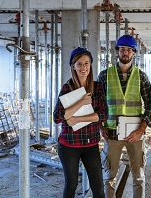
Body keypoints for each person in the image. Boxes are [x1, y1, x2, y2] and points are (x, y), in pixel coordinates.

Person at [97, 34, 151, 198]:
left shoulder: (141, 76)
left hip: (135, 133)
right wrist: (101, 127)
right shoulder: (104, 75)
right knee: (109, 177)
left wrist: (141, 130)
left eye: (129, 50)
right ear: (117, 52)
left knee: (138, 177)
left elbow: (150, 106)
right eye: (122, 49)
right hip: (112, 133)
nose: (125, 53)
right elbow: (97, 105)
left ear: (134, 53)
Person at [53, 47, 107, 198]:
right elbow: (57, 117)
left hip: (91, 145)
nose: (83, 67)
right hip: (69, 145)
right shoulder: (67, 88)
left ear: (91, 65)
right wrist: (82, 102)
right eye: (79, 64)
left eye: (86, 63)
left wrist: (76, 118)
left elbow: (103, 115)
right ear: (73, 66)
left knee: (98, 188)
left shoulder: (97, 87)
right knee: (71, 186)